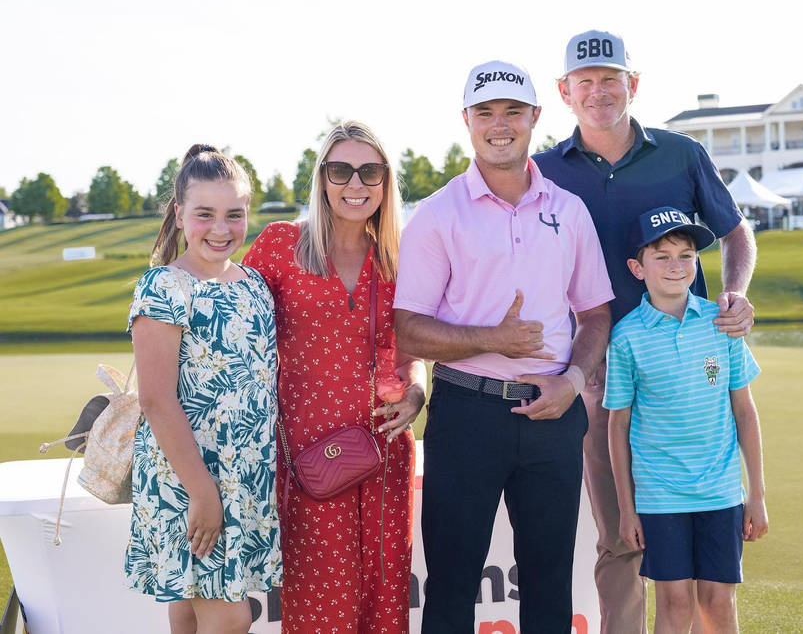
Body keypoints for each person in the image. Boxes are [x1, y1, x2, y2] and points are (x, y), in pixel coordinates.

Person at [532, 29, 758, 632]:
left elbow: (735, 232)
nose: (598, 91)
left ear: (633, 83)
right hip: (600, 372)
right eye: (584, 81)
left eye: (611, 78)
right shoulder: (542, 171)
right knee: (621, 537)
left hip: (689, 372)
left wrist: (736, 291)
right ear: (564, 91)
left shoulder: (681, 154)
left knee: (704, 547)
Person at [394, 60, 614, 633]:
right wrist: (494, 340)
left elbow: (595, 314)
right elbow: (408, 329)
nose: (500, 125)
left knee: (550, 587)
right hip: (466, 414)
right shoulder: (436, 215)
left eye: (513, 112)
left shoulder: (569, 210)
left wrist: (571, 382)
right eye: (485, 112)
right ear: (466, 120)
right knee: (451, 588)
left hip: (553, 414)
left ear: (535, 116)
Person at [242, 121, 426, 633]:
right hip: (309, 457)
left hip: (384, 452)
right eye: (341, 170)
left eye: (370, 171)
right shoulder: (281, 245)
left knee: (385, 605)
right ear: (322, 178)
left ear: (386, 181)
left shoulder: (400, 258)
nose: (355, 183)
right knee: (320, 608)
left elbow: (411, 352)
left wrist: (417, 391)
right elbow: (235, 326)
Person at [126, 144, 281, 634]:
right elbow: (156, 399)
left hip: (244, 477)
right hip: (189, 478)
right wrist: (202, 493)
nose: (220, 228)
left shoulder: (254, 285)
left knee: (192, 606)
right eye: (205, 214)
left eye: (234, 214)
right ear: (179, 215)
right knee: (231, 617)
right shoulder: (164, 287)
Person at [606, 206, 768, 633]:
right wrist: (627, 509)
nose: (675, 266)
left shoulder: (721, 323)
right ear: (637, 268)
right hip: (660, 494)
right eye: (661, 257)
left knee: (718, 602)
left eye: (686, 255)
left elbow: (745, 411)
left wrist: (757, 495)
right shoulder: (626, 337)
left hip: (720, 490)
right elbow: (617, 426)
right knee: (675, 604)